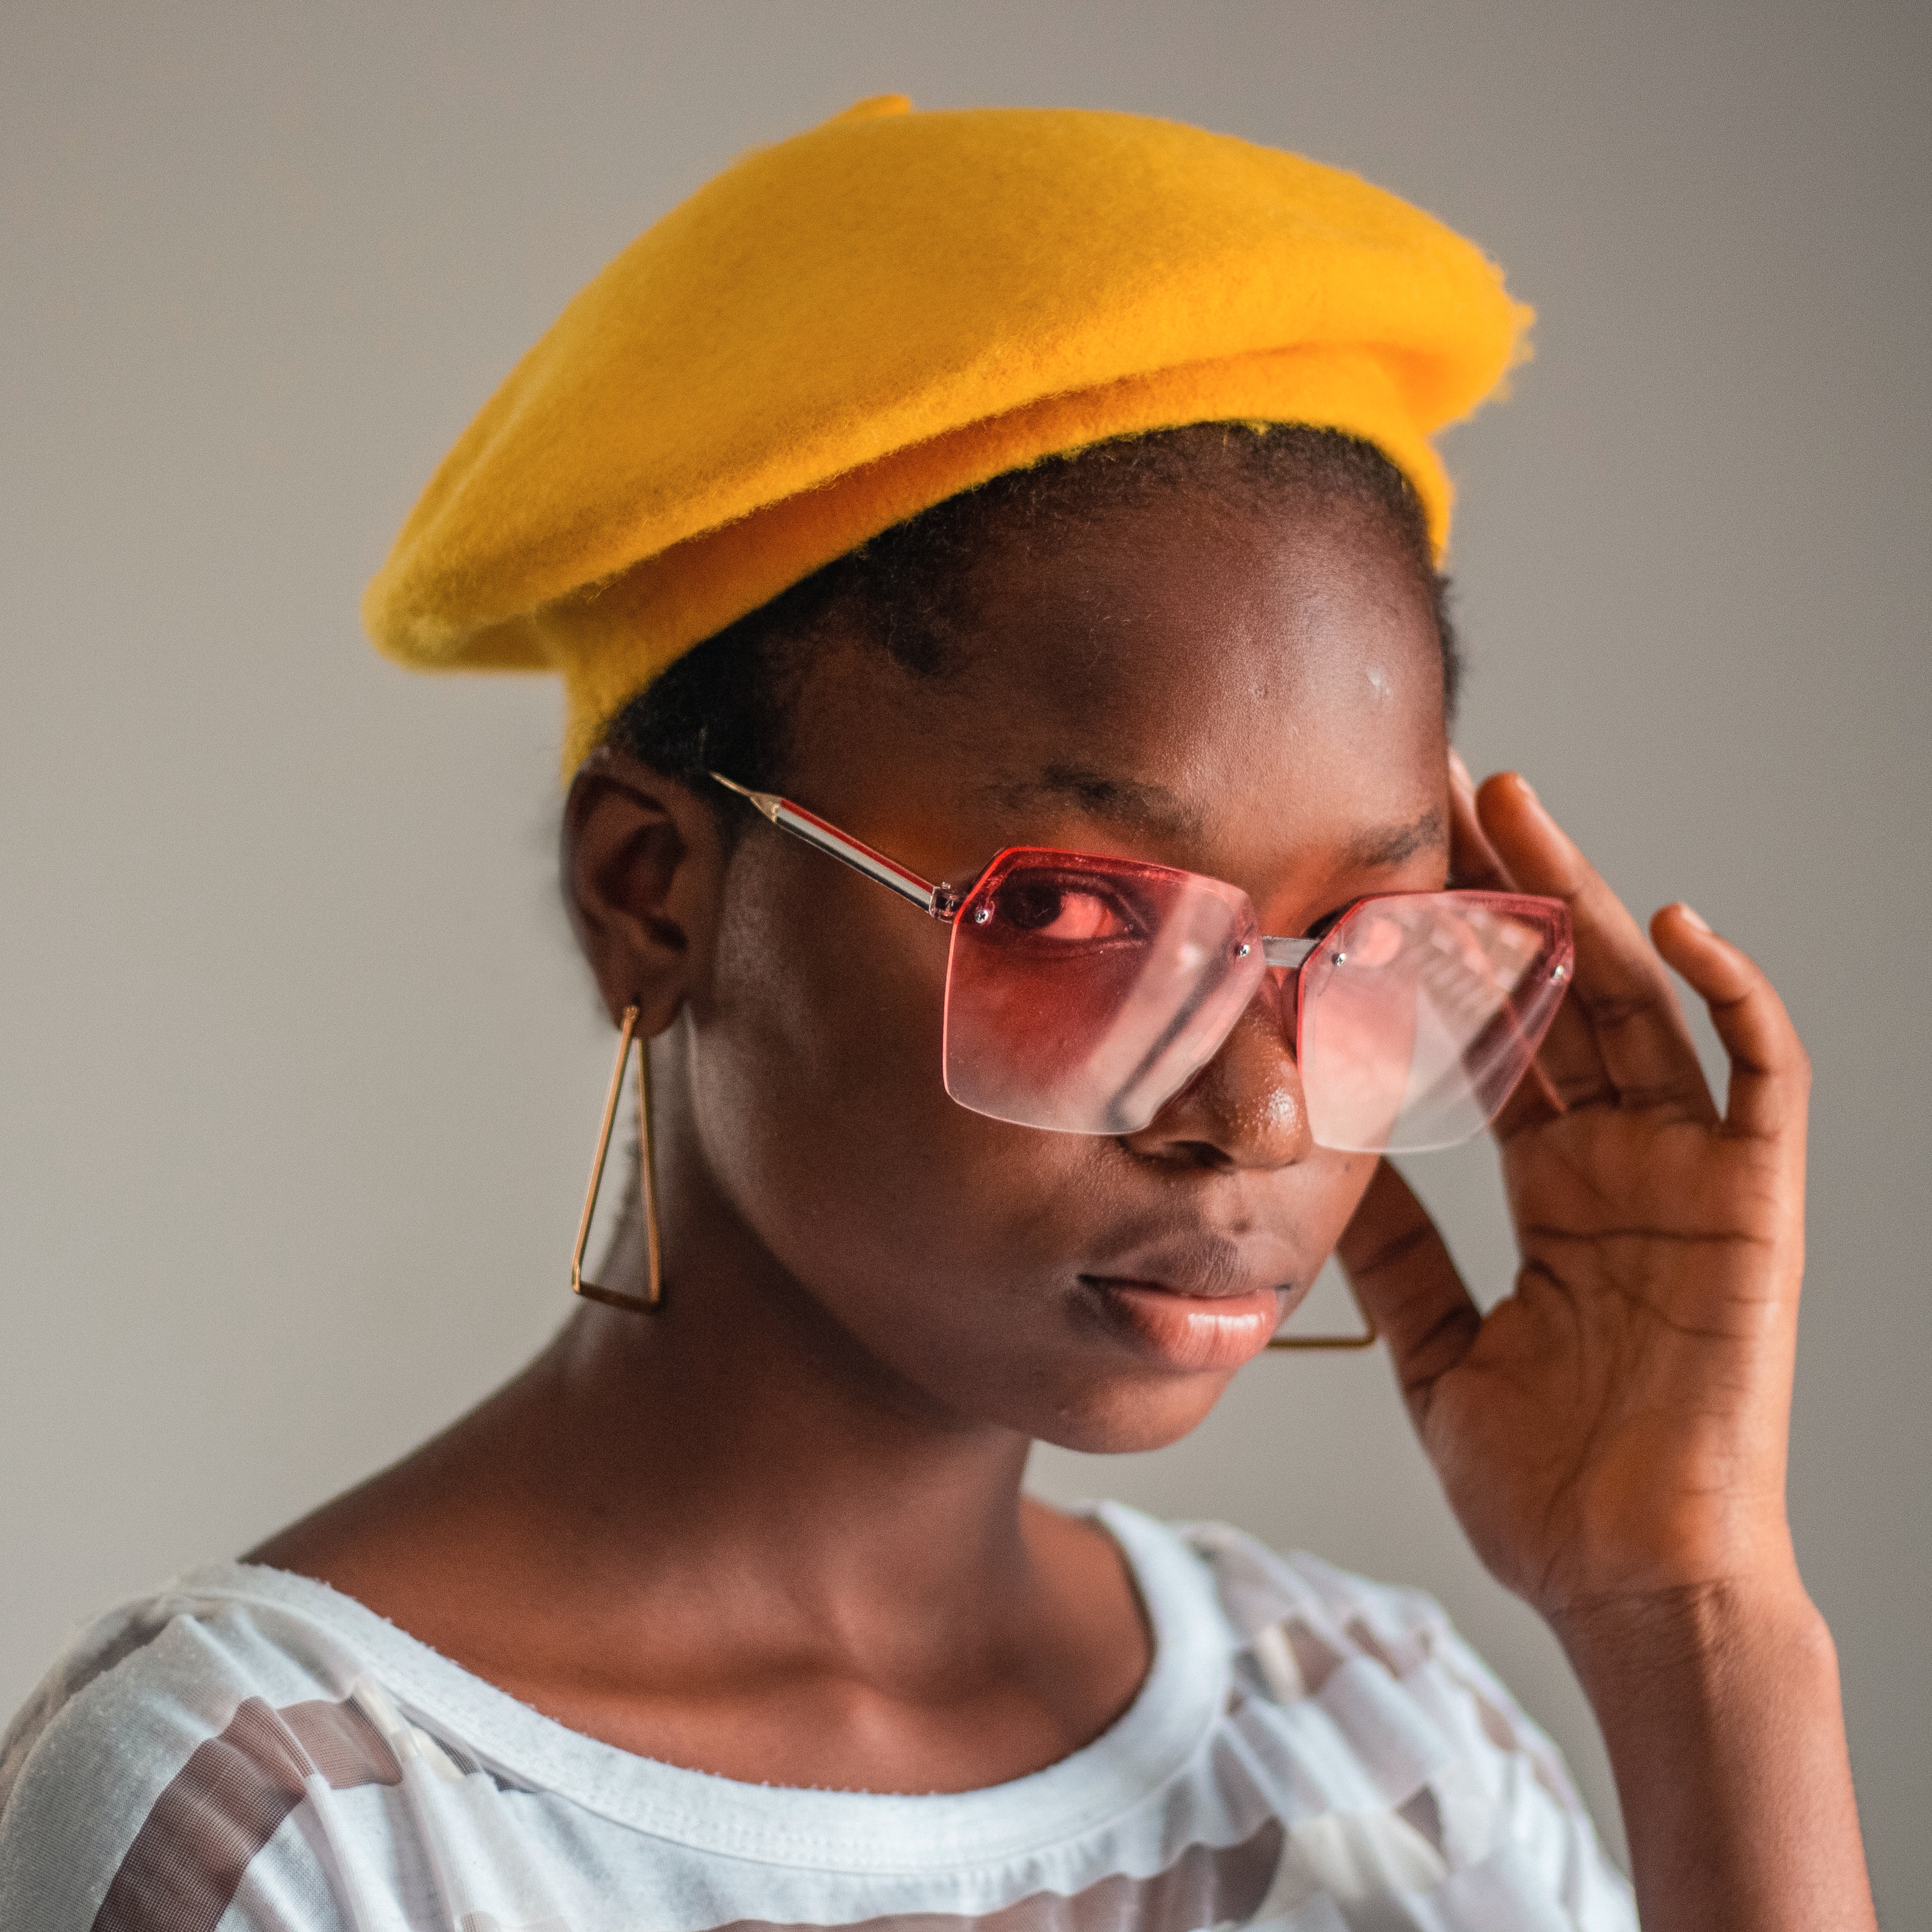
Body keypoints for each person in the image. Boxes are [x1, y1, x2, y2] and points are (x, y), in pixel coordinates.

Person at [0, 98, 1875, 1932]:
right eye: (1081, 913)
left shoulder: (1379, 1742)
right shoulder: (299, 1821)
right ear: (654, 894)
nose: (1267, 1113)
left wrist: (1698, 1623)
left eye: (1363, 937)